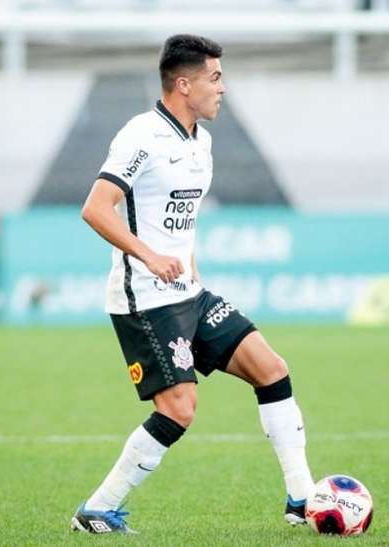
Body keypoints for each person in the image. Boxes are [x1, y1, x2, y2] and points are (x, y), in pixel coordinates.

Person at [70, 34, 315, 534]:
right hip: (145, 298)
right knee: (180, 409)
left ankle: (302, 498)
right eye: (215, 78)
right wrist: (150, 256)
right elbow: (96, 208)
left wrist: (187, 261)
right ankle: (97, 509)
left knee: (271, 368)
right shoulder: (141, 135)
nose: (223, 88)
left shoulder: (201, 141)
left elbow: (177, 216)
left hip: (189, 293)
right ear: (184, 84)